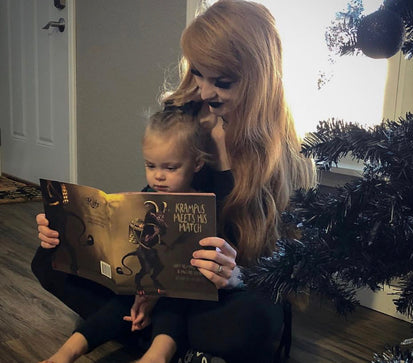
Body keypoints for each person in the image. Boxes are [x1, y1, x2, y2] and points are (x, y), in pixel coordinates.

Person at [34, 1, 315, 362]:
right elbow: (156, 197)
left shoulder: (281, 151)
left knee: (252, 319)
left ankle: (146, 331)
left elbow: (290, 264)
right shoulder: (184, 114)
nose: (205, 90)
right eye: (199, 72)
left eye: (222, 81)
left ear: (258, 77)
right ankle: (167, 337)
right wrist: (75, 233)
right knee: (49, 259)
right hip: (166, 274)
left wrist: (237, 277)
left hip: (224, 291)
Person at [34, 103, 220, 363]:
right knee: (121, 303)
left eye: (170, 168)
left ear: (197, 163)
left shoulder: (203, 207)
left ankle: (157, 355)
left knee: (176, 301)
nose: (158, 177)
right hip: (142, 283)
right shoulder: (146, 201)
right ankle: (67, 352)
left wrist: (156, 295)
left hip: (180, 292)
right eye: (151, 165)